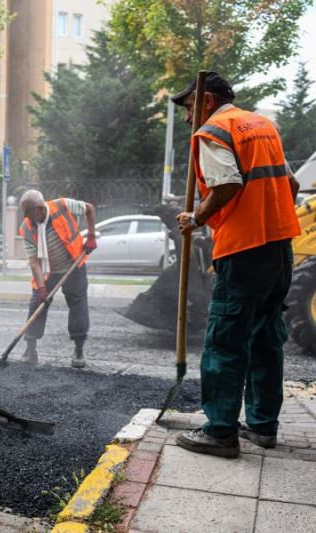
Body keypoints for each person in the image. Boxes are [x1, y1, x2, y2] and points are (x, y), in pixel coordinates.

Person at [171, 72, 301, 458]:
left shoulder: (213, 131)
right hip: (279, 249)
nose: (187, 117)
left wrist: (196, 217)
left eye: (190, 107)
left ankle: (220, 431)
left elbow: (228, 185)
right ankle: (262, 426)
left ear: (208, 101)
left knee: (226, 339)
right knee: (266, 337)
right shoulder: (263, 126)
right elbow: (290, 186)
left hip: (243, 250)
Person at [18, 190, 97, 367]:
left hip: (73, 265)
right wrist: (41, 288)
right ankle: (30, 350)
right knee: (37, 303)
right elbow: (34, 262)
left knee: (78, 304)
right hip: (47, 272)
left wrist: (91, 235)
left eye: (29, 213)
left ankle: (78, 350)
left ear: (39, 208)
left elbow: (90, 209)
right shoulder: (26, 228)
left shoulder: (62, 205)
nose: (27, 217)